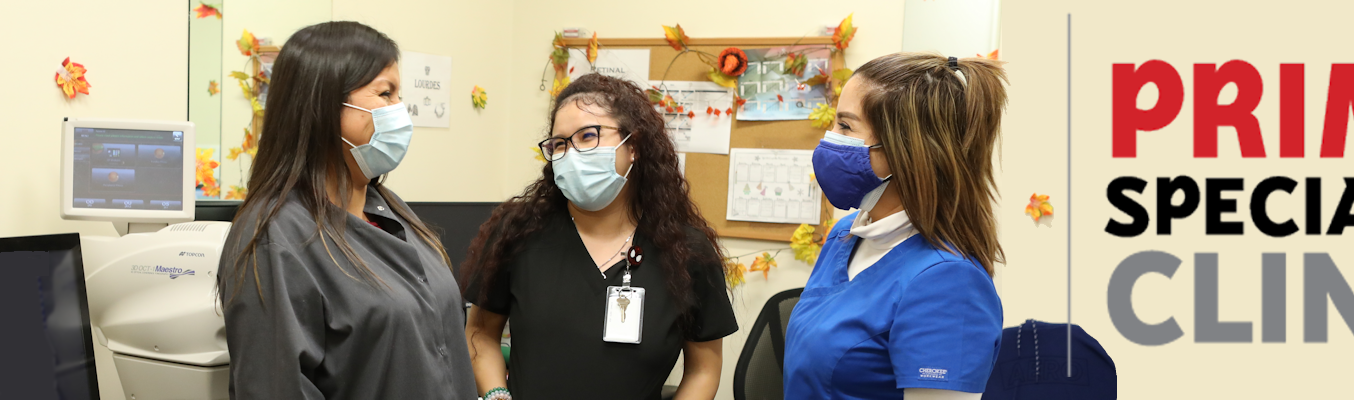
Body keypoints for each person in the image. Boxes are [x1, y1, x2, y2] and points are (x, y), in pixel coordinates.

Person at [216, 21, 475, 399]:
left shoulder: (388, 209)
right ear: (322, 103)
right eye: (385, 93)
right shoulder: (276, 237)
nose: (399, 110)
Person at [461, 74, 738, 400]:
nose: (572, 153)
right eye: (560, 144)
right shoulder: (518, 232)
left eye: (588, 136)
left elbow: (703, 369)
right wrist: (496, 395)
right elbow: (480, 333)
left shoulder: (687, 252)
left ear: (633, 145)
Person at [783, 52, 1009, 400]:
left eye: (845, 126)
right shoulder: (845, 236)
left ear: (904, 151)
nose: (829, 139)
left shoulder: (948, 283)